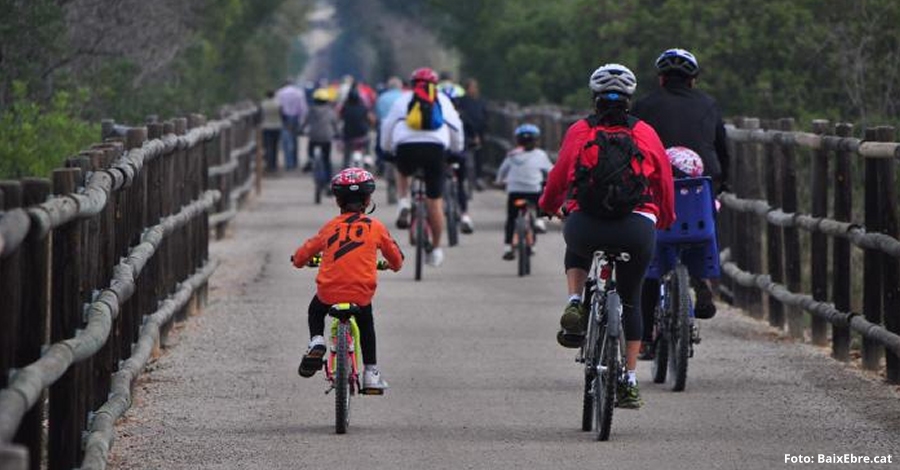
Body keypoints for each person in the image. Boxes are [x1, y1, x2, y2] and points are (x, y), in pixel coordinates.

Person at [539, 63, 675, 409]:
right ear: (630, 99)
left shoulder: (580, 130)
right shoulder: (645, 132)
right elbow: (664, 181)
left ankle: (574, 303)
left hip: (587, 224)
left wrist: (548, 205)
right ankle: (629, 380)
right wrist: (664, 218)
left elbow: (559, 177)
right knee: (630, 300)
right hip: (636, 226)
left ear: (594, 98)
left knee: (577, 243)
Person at [631, 48, 729, 338]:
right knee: (702, 226)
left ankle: (647, 337)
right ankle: (702, 278)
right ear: (693, 80)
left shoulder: (644, 105)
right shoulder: (709, 104)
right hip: (702, 186)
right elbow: (722, 148)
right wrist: (725, 184)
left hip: (653, 188)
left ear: (661, 79)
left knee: (651, 259)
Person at [292, 168, 404, 391]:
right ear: (368, 199)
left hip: (329, 292)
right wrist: (392, 264)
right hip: (361, 293)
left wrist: (298, 260)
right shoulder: (376, 228)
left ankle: (317, 341)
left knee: (315, 310)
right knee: (366, 324)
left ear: (337, 200)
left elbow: (302, 254)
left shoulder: (330, 227)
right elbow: (397, 260)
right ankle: (371, 372)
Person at [380, 67, 465, 267]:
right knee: (434, 202)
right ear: (434, 84)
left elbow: (387, 126)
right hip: (435, 150)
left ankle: (403, 201)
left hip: (406, 147)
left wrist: (387, 149)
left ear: (411, 83)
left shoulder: (402, 100)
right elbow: (456, 128)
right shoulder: (442, 100)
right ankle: (435, 249)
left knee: (401, 168)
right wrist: (457, 150)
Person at [495, 123, 553, 260]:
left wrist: (499, 181)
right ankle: (539, 220)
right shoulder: (541, 155)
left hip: (515, 191)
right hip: (533, 190)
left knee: (511, 218)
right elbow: (551, 171)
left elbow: (502, 172)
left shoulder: (511, 155)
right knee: (540, 195)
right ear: (536, 140)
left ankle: (508, 246)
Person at [299, 88, 340, 177]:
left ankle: (311, 160)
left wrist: (301, 130)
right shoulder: (330, 111)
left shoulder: (311, 110)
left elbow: (305, 123)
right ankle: (329, 180)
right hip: (327, 138)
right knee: (327, 159)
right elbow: (335, 124)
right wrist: (337, 133)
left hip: (314, 137)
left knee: (310, 149)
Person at [457, 78, 488, 190]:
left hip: (479, 132)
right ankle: (463, 177)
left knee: (479, 155)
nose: (474, 89)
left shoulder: (481, 101)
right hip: (465, 131)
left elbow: (485, 117)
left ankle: (479, 178)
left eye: (475, 87)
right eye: (471, 87)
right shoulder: (461, 101)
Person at [275, 80, 309, 171]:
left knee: (286, 141)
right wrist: (302, 121)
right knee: (294, 140)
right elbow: (303, 108)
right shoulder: (298, 92)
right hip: (295, 118)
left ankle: (288, 163)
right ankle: (295, 161)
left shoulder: (280, 93)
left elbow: (277, 106)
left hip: (284, 118)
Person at [339, 89, 374, 169]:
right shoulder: (363, 107)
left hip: (348, 137)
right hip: (362, 136)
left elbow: (339, 117)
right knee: (368, 146)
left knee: (347, 154)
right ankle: (367, 161)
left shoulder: (345, 108)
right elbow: (371, 119)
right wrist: (371, 126)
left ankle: (345, 167)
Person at [259, 90, 282, 172]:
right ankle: (274, 164)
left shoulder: (263, 104)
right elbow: (282, 114)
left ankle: (269, 164)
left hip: (266, 127)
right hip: (277, 127)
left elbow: (260, 115)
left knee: (268, 146)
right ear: (274, 95)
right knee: (275, 146)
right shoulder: (278, 104)